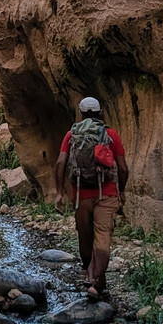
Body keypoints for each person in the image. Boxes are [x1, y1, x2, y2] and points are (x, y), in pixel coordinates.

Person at [53, 96, 128, 300]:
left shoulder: (72, 134)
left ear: (81, 113)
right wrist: (121, 192)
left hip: (81, 194)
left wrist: (60, 192)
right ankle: (96, 282)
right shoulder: (110, 134)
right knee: (102, 237)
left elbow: (61, 162)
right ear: (99, 112)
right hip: (107, 192)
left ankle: (91, 276)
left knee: (85, 237)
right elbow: (122, 168)